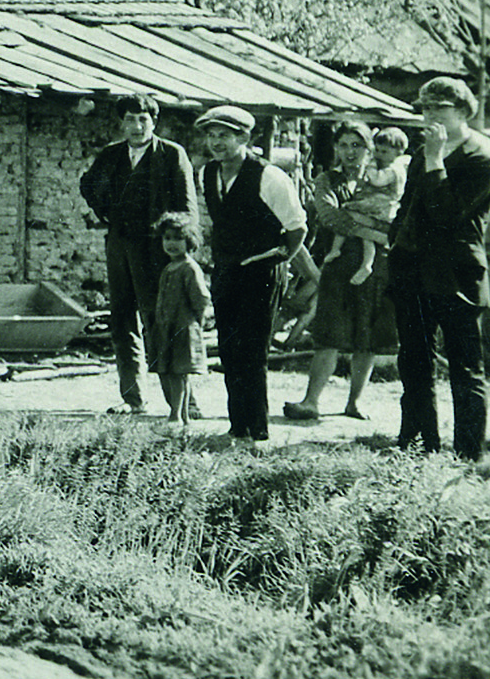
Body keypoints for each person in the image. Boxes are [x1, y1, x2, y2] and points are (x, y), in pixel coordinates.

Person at [385, 76, 490, 460]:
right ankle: (417, 449)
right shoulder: (421, 154)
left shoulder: (481, 160)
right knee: (414, 365)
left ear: (464, 110)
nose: (430, 115)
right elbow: (408, 207)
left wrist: (436, 159)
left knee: (465, 370)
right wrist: (394, 243)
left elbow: (446, 213)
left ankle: (468, 455)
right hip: (413, 274)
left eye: (439, 108)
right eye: (425, 108)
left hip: (457, 277)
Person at [194, 104, 307, 446]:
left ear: (244, 137)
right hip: (227, 270)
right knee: (228, 350)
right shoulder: (208, 174)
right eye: (212, 136)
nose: (217, 143)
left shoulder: (269, 176)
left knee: (252, 351)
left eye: (225, 136)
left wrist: (281, 257)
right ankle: (237, 426)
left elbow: (296, 226)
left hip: (262, 272)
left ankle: (256, 432)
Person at [78, 94, 196, 415]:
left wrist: (179, 249)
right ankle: (134, 399)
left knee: (160, 320)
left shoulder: (171, 155)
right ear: (122, 123)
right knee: (122, 320)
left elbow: (186, 208)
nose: (136, 126)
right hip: (120, 246)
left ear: (153, 122)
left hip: (158, 251)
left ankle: (183, 403)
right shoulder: (112, 155)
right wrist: (108, 213)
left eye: (143, 119)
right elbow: (88, 185)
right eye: (129, 119)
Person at [284, 121, 402, 423]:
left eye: (357, 145)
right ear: (336, 148)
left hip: (377, 268)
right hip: (338, 266)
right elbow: (330, 217)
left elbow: (399, 216)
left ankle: (355, 402)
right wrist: (380, 234)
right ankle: (311, 401)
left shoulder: (385, 177)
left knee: (369, 335)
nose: (350, 152)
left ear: (369, 149)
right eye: (344, 145)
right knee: (329, 333)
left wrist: (383, 233)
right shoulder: (327, 180)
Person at [150, 212, 211, 427]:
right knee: (173, 373)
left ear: (190, 241)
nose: (171, 244)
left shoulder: (189, 268)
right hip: (168, 329)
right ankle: (183, 416)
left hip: (183, 329)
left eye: (178, 238)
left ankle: (175, 415)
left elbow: (201, 298)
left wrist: (196, 323)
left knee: (178, 374)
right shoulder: (169, 268)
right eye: (167, 238)